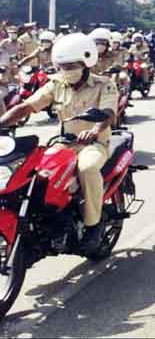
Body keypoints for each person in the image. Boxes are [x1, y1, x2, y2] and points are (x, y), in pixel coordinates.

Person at [0, 33, 117, 253]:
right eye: (63, 65)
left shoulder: (105, 84)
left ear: (86, 62)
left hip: (94, 144)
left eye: (72, 65)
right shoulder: (56, 84)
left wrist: (94, 130)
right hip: (63, 143)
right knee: (36, 171)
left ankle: (93, 225)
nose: (67, 69)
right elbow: (26, 107)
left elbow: (108, 113)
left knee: (87, 168)